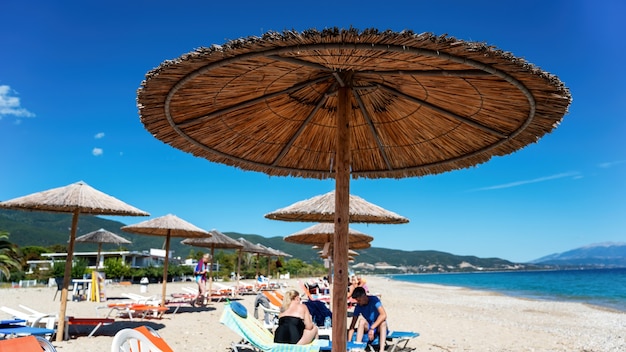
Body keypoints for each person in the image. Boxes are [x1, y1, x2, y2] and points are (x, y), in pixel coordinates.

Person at [348, 286, 388, 352]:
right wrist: (348, 343)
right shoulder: (358, 306)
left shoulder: (374, 300)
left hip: (378, 326)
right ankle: (358, 346)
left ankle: (381, 350)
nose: (359, 302)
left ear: (364, 296)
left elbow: (383, 315)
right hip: (369, 325)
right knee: (361, 321)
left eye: (359, 300)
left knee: (383, 323)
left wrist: (372, 328)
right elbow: (352, 326)